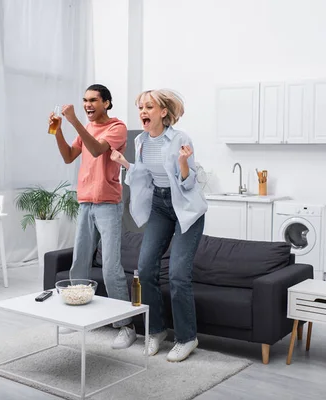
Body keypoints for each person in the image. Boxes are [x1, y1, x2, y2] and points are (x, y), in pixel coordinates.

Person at [110, 89, 207, 362]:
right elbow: (143, 175)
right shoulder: (141, 141)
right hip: (160, 206)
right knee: (145, 268)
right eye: (141, 107)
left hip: (187, 208)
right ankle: (156, 331)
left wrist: (183, 163)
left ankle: (187, 338)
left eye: (149, 106)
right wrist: (126, 163)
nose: (143, 111)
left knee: (177, 274)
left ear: (163, 112)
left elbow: (189, 184)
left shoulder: (179, 139)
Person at [51, 84, 136, 349]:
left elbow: (98, 150)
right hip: (85, 202)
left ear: (107, 103)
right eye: (85, 100)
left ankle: (126, 325)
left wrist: (75, 120)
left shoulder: (117, 127)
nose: (88, 104)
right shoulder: (84, 127)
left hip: (108, 204)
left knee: (111, 268)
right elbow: (68, 157)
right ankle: (78, 315)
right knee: (79, 263)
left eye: (93, 101)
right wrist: (58, 131)